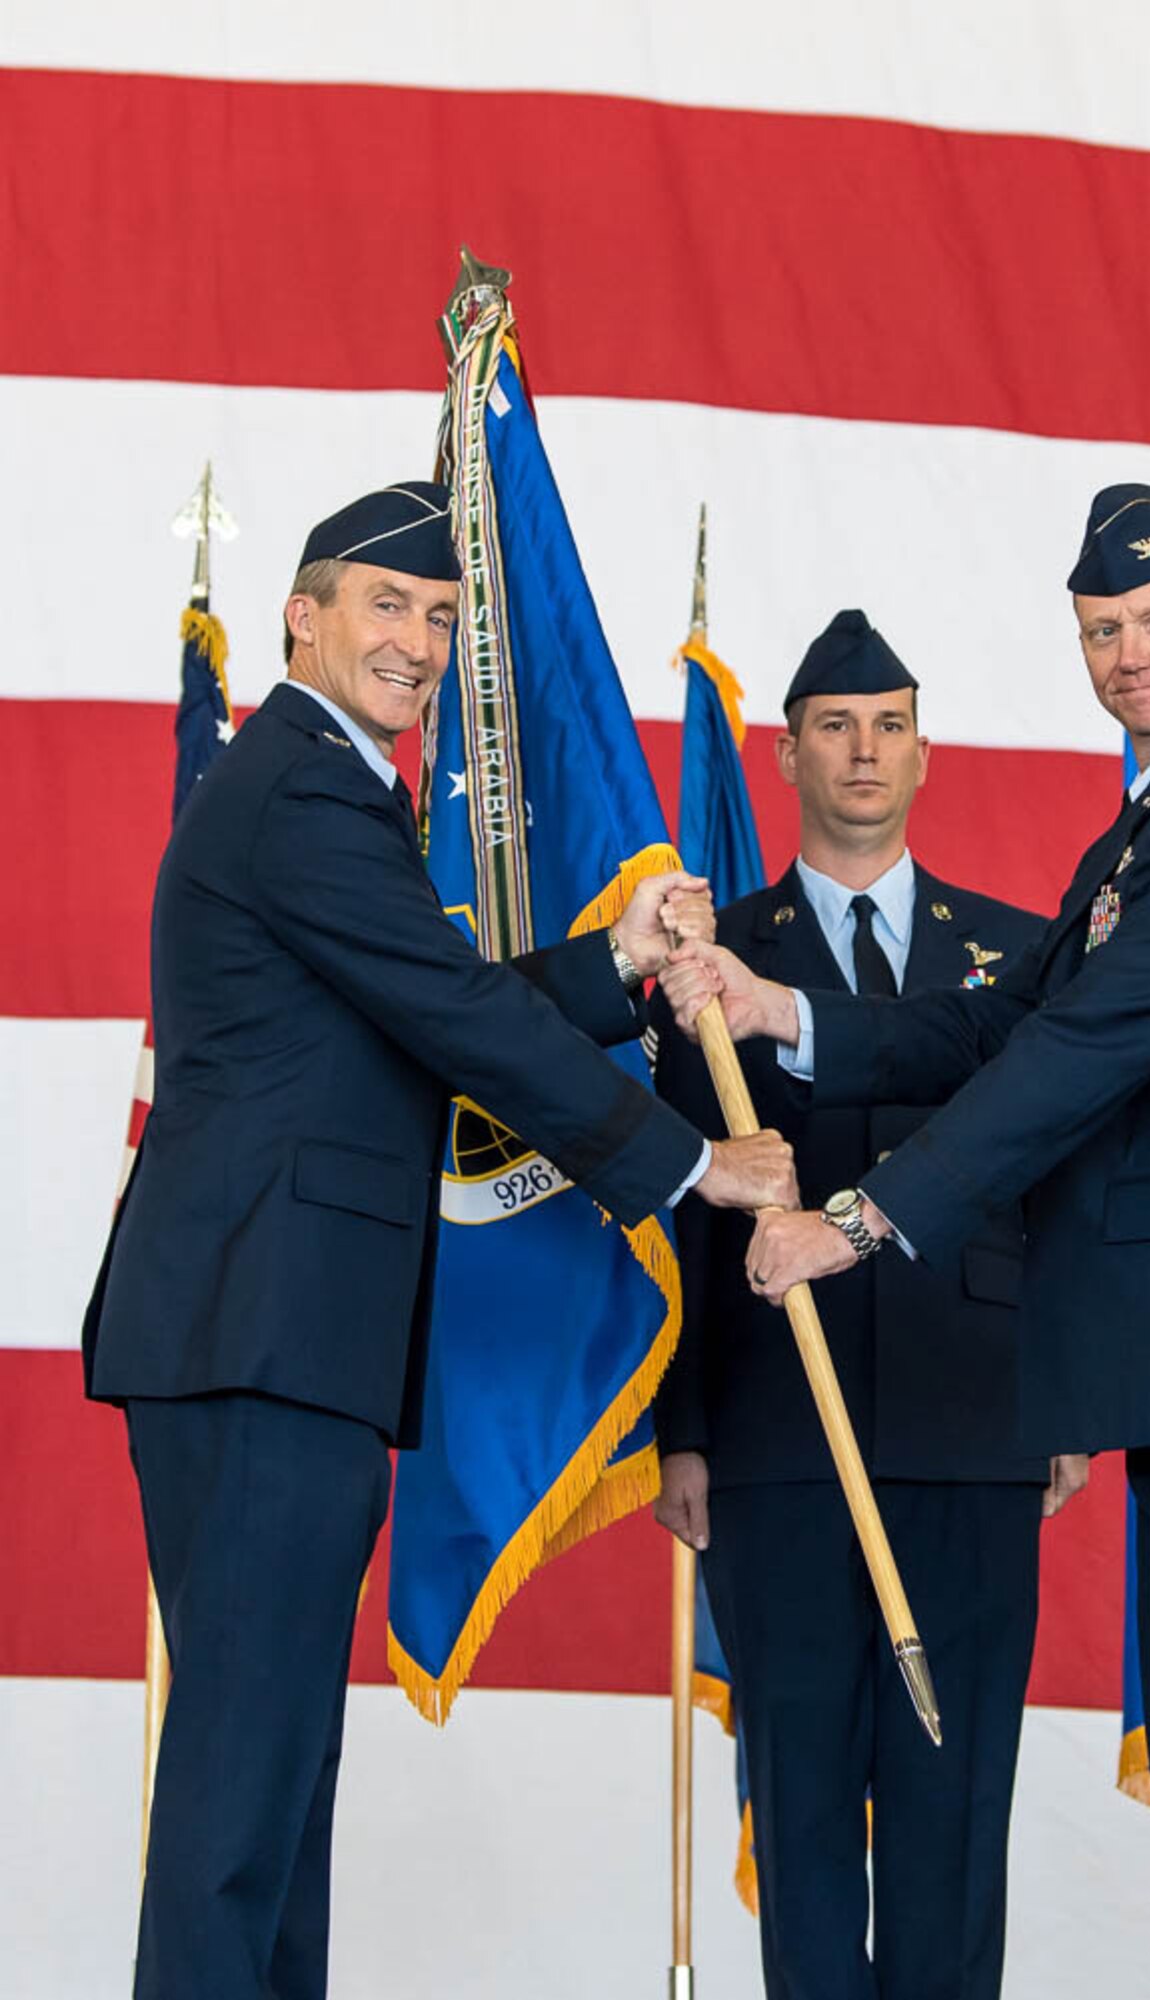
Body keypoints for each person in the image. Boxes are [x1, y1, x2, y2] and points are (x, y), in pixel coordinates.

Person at [662, 487, 1150, 2000]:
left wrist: (861, 1217)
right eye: (1103, 631)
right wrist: (785, 1015)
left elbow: (1072, 1060)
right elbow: (1014, 1017)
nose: (1132, 653)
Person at [82, 481, 796, 2000]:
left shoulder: (329, 791)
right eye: (386, 606)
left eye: (442, 618)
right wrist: (685, 1167)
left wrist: (614, 962)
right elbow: (457, 1019)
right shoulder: (298, 786)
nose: (418, 644)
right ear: (303, 614)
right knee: (237, 1794)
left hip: (280, 1337)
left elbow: (426, 1007)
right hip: (258, 1335)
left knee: (267, 1780)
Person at [651, 608, 1087, 2000]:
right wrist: (681, 1427)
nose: (862, 750)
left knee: (954, 1814)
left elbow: (1052, 1187)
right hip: (777, 1441)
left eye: (887, 724)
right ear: (783, 754)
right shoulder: (710, 967)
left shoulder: (1015, 956)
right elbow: (670, 1214)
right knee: (798, 1801)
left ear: (922, 752)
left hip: (972, 1426)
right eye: (834, 726)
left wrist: (1068, 1392)